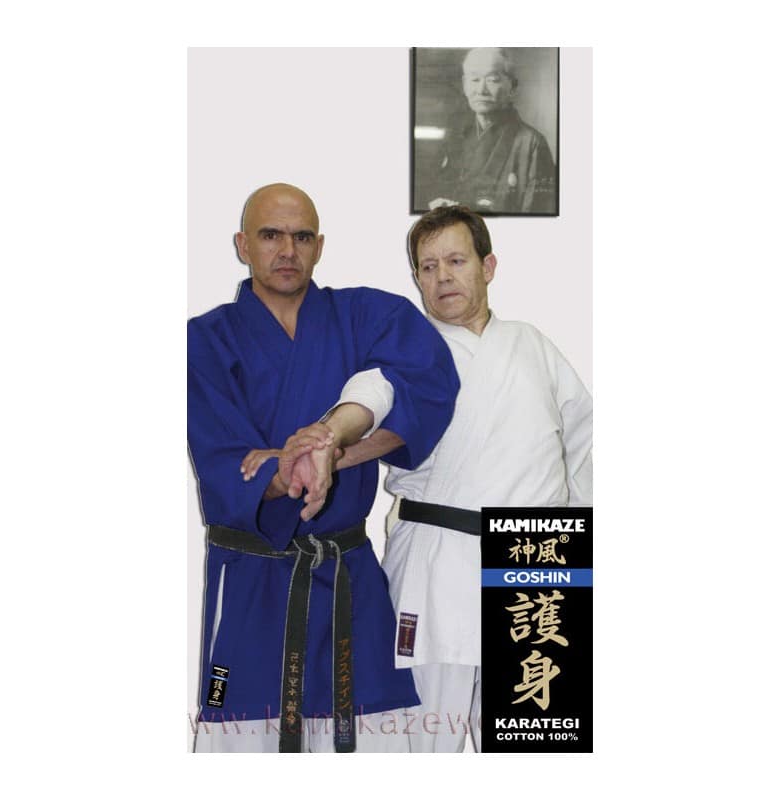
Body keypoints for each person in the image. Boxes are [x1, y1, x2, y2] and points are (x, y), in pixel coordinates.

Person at [187, 183, 459, 753]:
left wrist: (336, 450)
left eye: (302, 236)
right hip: (251, 586)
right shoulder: (203, 340)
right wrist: (288, 471)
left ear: (320, 246)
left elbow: (427, 383)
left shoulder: (366, 316)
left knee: (374, 742)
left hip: (348, 580)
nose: (288, 249)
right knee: (240, 738)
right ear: (242, 244)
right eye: (270, 235)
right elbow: (224, 459)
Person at [377, 205, 591, 751]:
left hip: (535, 557)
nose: (442, 277)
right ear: (416, 278)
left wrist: (577, 538)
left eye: (456, 261)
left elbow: (587, 442)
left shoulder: (532, 345)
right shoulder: (404, 356)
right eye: (428, 267)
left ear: (487, 266)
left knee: (535, 742)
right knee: (424, 738)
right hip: (435, 557)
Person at [428, 47, 556, 214]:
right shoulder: (455, 136)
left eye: (493, 80)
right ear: (464, 85)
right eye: (474, 80)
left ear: (512, 87)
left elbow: (537, 216)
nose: (481, 90)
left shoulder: (532, 143)